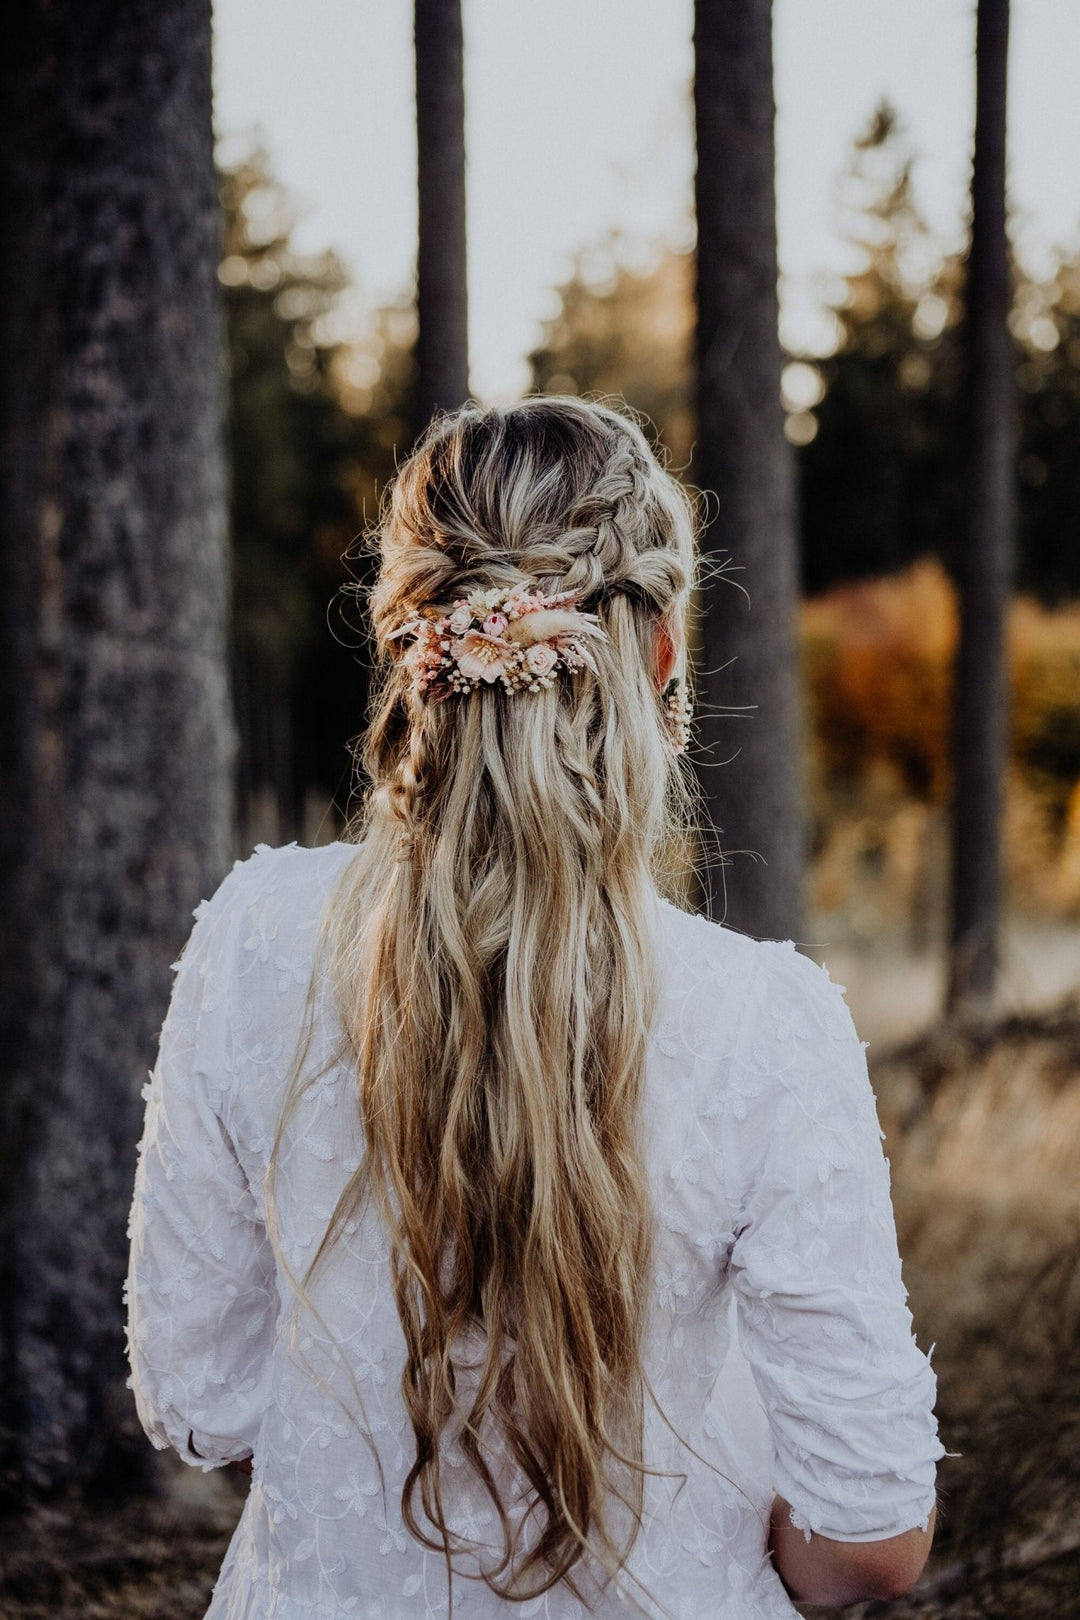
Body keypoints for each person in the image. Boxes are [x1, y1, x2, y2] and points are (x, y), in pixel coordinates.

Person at [125, 397, 942, 1619]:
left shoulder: (253, 935)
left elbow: (200, 1399)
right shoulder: (765, 1021)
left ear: (411, 647)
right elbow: (869, 1540)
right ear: (661, 653)